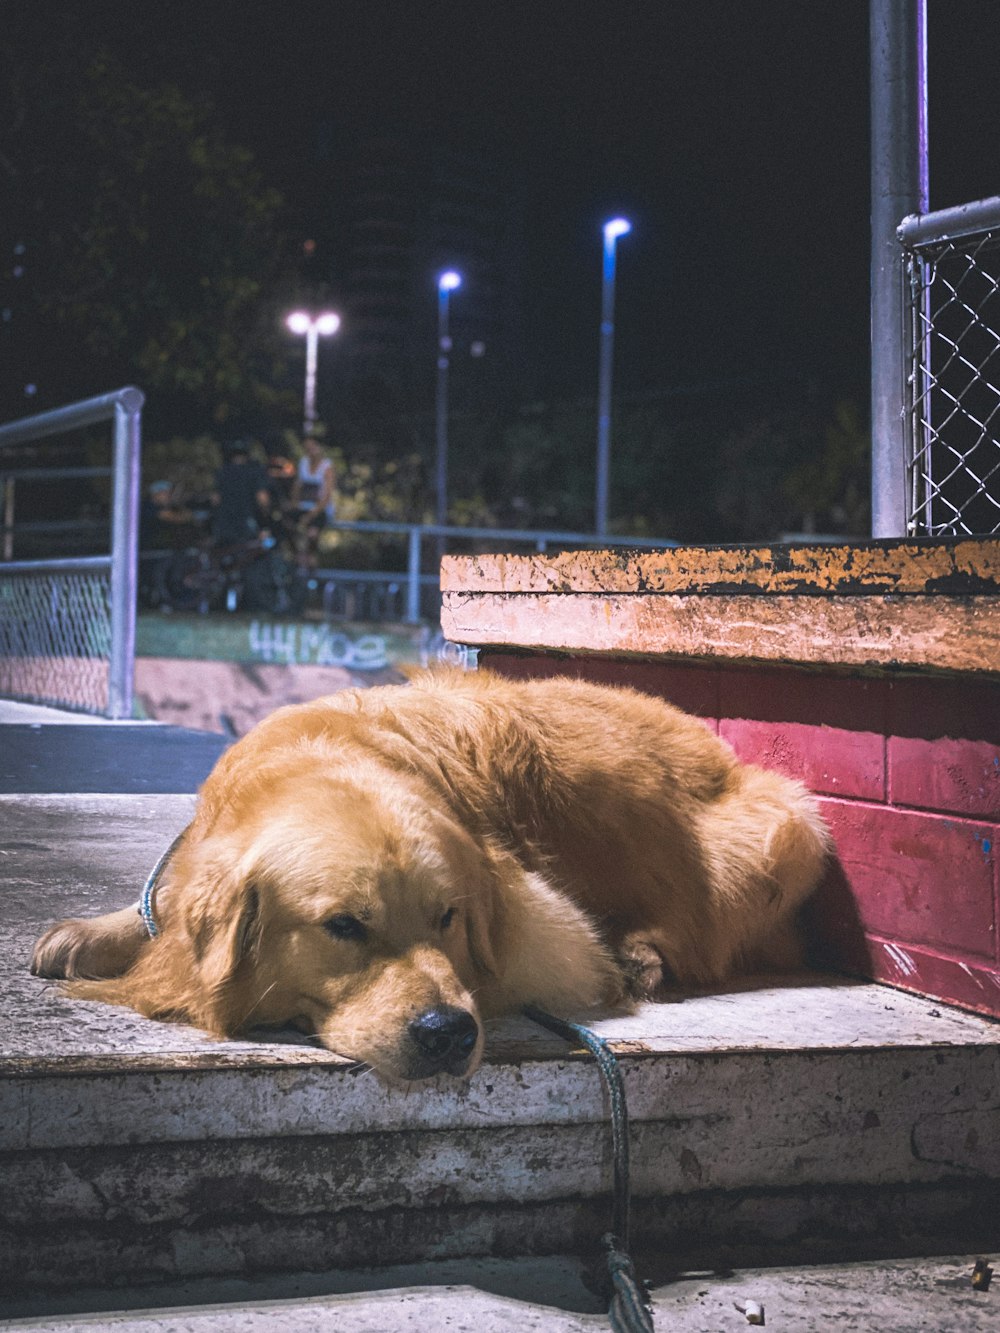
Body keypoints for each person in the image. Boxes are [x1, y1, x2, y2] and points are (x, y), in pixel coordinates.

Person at [210, 439, 271, 546]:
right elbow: (262, 499)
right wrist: (266, 520)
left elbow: (215, 500)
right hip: (248, 523)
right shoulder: (255, 471)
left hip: (224, 525)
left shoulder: (222, 471)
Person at [289, 435, 336, 568]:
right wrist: (294, 503)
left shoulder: (327, 467)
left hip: (318, 509)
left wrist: (310, 516)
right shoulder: (303, 463)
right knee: (287, 523)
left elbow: (326, 497)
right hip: (303, 506)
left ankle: (311, 556)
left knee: (312, 534)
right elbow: (297, 486)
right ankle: (297, 555)